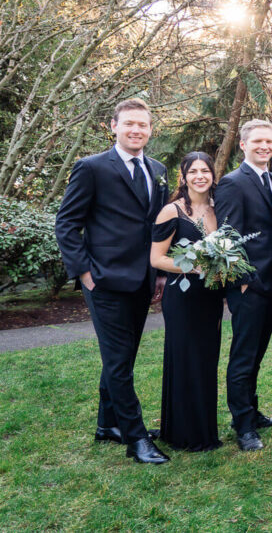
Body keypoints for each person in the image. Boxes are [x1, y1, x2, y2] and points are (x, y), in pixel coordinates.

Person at [54, 98, 170, 464]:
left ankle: (108, 425)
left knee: (122, 358)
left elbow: (158, 227)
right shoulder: (91, 168)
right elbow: (66, 223)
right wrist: (84, 273)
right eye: (129, 123)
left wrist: (160, 272)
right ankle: (136, 439)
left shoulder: (158, 169)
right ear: (114, 126)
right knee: (119, 361)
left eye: (143, 125)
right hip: (103, 280)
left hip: (142, 279)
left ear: (150, 130)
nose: (136, 130)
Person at [214, 119, 272, 451]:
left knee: (257, 355)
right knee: (243, 357)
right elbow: (228, 236)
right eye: (257, 141)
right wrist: (241, 282)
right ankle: (243, 426)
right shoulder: (232, 183)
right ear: (243, 145)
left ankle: (252, 411)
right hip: (249, 286)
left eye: (269, 141)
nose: (264, 146)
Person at [149, 152, 224, 452]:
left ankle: (204, 430)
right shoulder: (172, 211)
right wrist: (192, 267)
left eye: (205, 171)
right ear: (183, 176)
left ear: (213, 175)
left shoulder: (219, 209)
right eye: (193, 171)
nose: (200, 176)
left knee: (207, 359)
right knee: (185, 359)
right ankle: (181, 433)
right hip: (182, 296)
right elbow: (157, 258)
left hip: (210, 296)